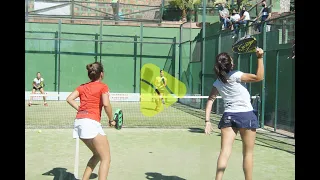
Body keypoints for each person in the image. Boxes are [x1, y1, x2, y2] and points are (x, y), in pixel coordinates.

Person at [204, 48, 264, 180]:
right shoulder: (237, 75)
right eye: (231, 59)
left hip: (228, 117)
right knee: (248, 154)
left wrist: (207, 121)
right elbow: (259, 77)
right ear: (230, 64)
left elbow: (210, 100)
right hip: (246, 116)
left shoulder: (218, 82)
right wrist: (260, 57)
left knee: (224, 153)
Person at [66, 62, 116, 180]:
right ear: (101, 74)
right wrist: (111, 120)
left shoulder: (82, 87)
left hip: (79, 123)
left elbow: (69, 99)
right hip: (91, 123)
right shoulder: (103, 87)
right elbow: (106, 104)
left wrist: (81, 110)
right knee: (106, 158)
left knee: (98, 155)